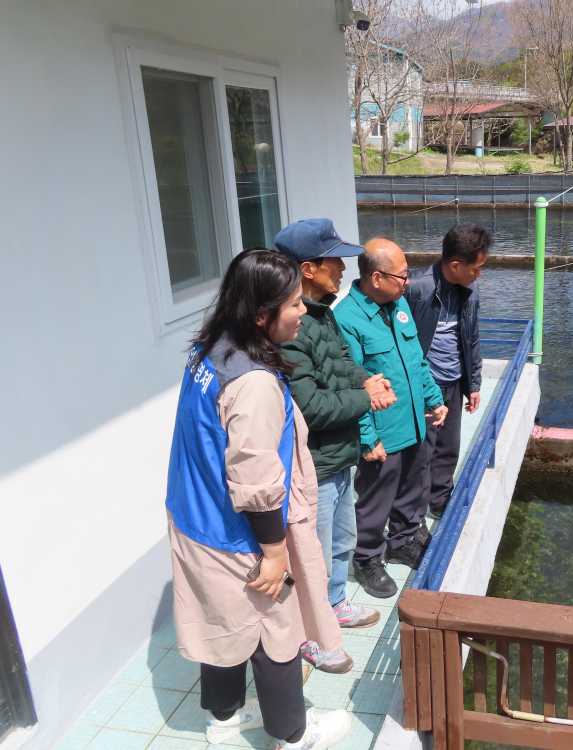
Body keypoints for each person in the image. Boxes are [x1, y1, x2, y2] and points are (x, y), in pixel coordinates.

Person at [164, 248, 350, 749]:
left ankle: (222, 721)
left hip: (195, 517)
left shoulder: (212, 349)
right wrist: (273, 554)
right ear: (263, 314)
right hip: (237, 532)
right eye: (292, 304)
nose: (302, 311)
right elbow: (255, 480)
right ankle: (293, 734)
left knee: (221, 624)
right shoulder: (254, 384)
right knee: (276, 631)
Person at [274, 218, 395, 629]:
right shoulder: (291, 328)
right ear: (308, 269)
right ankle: (314, 621)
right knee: (316, 549)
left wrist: (366, 379)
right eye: (334, 262)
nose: (343, 270)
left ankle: (337, 602)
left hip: (340, 455)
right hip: (316, 464)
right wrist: (368, 398)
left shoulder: (322, 314)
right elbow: (309, 408)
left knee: (343, 537)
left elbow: (342, 361)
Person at [333, 238, 447, 598]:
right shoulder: (347, 319)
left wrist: (434, 398)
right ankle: (367, 557)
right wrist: (367, 439)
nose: (407, 282)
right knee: (375, 496)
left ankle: (404, 538)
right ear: (377, 277)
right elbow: (352, 384)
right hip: (382, 430)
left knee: (414, 486)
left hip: (413, 419)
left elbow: (417, 359)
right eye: (401, 275)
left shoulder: (398, 306)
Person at [405, 224, 490, 518]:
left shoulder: (469, 290)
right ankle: (412, 518)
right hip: (424, 385)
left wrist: (474, 383)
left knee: (448, 448)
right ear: (455, 265)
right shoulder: (417, 289)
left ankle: (440, 502)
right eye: (476, 268)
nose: (479, 274)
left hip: (454, 382)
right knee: (421, 453)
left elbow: (472, 337)